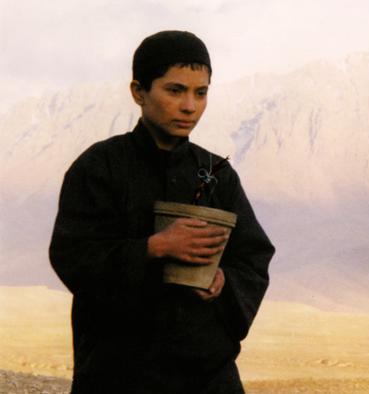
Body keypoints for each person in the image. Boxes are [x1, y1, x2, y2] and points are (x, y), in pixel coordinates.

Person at [49, 30, 275, 394]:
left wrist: (224, 281)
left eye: (200, 93)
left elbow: (252, 257)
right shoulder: (100, 167)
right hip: (117, 372)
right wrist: (155, 247)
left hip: (207, 373)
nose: (190, 106)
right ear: (139, 92)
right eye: (175, 90)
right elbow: (72, 256)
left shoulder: (217, 174)